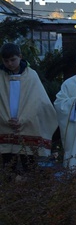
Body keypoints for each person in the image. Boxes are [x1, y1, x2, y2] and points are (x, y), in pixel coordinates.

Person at [0, 43, 58, 174]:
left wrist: (23, 119)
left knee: (29, 167)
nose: (9, 63)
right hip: (4, 125)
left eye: (13, 59)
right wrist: (4, 118)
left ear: (20, 56)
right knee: (8, 167)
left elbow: (38, 101)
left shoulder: (31, 75)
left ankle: (30, 191)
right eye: (6, 61)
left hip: (28, 125)